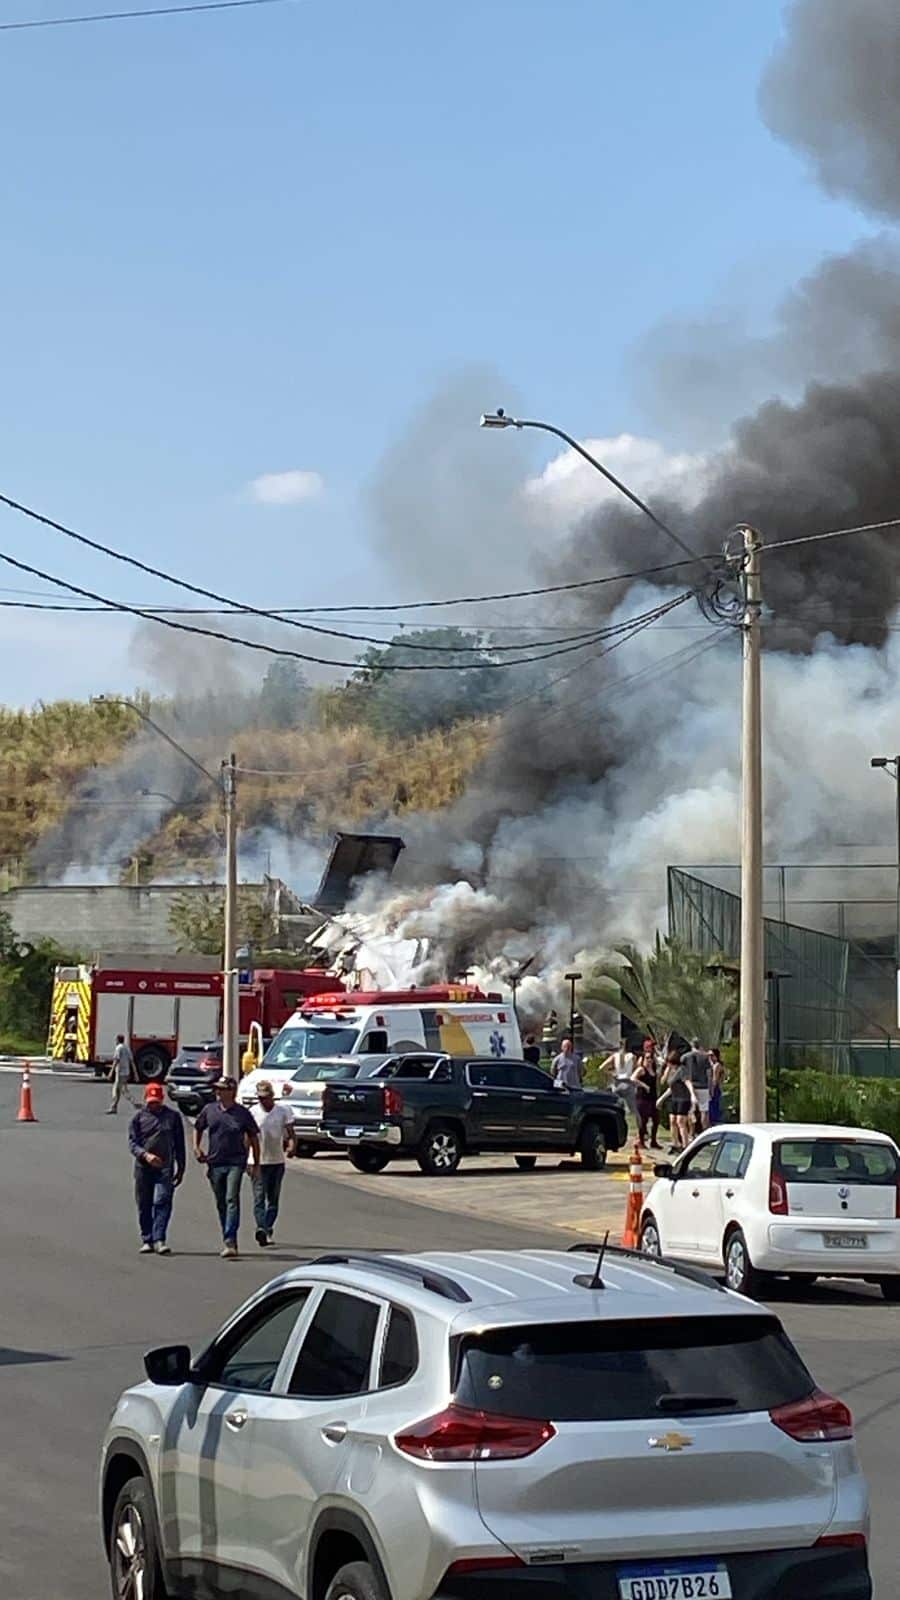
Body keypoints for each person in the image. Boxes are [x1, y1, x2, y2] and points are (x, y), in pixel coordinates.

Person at [193, 1076, 261, 1258]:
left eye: (222, 1089)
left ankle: (231, 1240)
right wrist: (197, 1147)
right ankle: (227, 1236)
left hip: (235, 1162)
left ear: (231, 1091)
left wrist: (256, 1162)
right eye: (217, 1089)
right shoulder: (210, 1110)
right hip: (215, 1162)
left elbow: (254, 1137)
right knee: (221, 1202)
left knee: (232, 1199)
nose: (218, 1092)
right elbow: (198, 1127)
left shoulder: (242, 1113)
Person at [128, 1082, 186, 1255]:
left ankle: (160, 1238)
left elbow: (179, 1144)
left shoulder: (173, 1117)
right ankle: (147, 1238)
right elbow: (132, 1143)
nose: (154, 1104)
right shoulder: (138, 1118)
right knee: (144, 1203)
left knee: (162, 1200)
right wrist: (145, 1155)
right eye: (151, 1101)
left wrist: (181, 1167)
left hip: (165, 1167)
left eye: (157, 1101)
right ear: (146, 1099)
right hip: (144, 1167)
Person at [249, 1079, 296, 1247]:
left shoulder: (282, 1111)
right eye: (260, 1097)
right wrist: (246, 1158)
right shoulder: (253, 1112)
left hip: (276, 1160)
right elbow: (247, 1137)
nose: (263, 1100)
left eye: (266, 1097)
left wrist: (291, 1146)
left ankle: (268, 1227)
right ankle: (261, 1228)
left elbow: (290, 1133)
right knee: (259, 1197)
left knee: (273, 1199)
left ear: (272, 1096)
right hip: (257, 1161)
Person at [658, 1048, 697, 1151]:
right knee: (672, 1121)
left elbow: (687, 1082)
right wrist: (661, 1099)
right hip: (674, 1098)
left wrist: (693, 1095)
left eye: (669, 1063)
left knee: (681, 1122)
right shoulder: (671, 1071)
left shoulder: (682, 1070)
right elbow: (666, 1085)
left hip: (683, 1098)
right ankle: (675, 1143)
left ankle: (685, 1145)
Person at [631, 1045, 660, 1149]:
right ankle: (641, 1141)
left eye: (651, 1057)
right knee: (643, 1121)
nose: (649, 1060)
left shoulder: (654, 1070)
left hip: (653, 1098)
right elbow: (632, 1078)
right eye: (647, 1058)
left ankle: (654, 1141)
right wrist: (644, 1085)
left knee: (656, 1120)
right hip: (642, 1098)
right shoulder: (641, 1069)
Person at [680, 1038, 712, 1129]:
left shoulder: (684, 1057)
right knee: (704, 1111)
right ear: (700, 1046)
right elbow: (709, 1074)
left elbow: (684, 1073)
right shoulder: (705, 1057)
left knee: (691, 1111)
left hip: (690, 1086)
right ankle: (705, 1129)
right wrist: (711, 1088)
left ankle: (691, 1133)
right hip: (703, 1086)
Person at [600, 1038, 637, 1113]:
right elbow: (635, 1069)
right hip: (628, 1083)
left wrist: (612, 1073)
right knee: (633, 1110)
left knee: (615, 1108)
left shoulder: (614, 1056)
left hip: (617, 1083)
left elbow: (601, 1067)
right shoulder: (633, 1056)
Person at [106, 1033, 137, 1115]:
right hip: (126, 1072)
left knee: (118, 1090)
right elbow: (132, 1061)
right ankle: (114, 1107)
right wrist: (135, 1073)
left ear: (117, 1040)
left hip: (120, 1072)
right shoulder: (127, 1048)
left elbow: (116, 1060)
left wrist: (110, 1072)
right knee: (121, 1090)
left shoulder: (118, 1048)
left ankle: (135, 1103)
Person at [708, 1047, 725, 1125]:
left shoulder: (717, 1066)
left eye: (712, 1055)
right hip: (714, 1088)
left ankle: (714, 1122)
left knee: (713, 1107)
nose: (710, 1057)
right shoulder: (713, 1065)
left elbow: (715, 1079)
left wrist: (712, 1090)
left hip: (715, 1088)